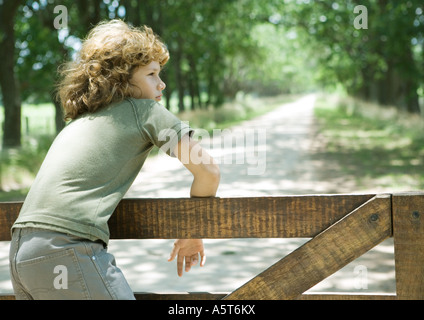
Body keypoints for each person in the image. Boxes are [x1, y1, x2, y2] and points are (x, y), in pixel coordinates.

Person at [8, 19, 220, 300]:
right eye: (152, 74)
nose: (162, 83)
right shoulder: (146, 112)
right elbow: (208, 170)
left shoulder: (79, 123)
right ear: (122, 79)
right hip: (66, 249)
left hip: (20, 254)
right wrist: (193, 231)